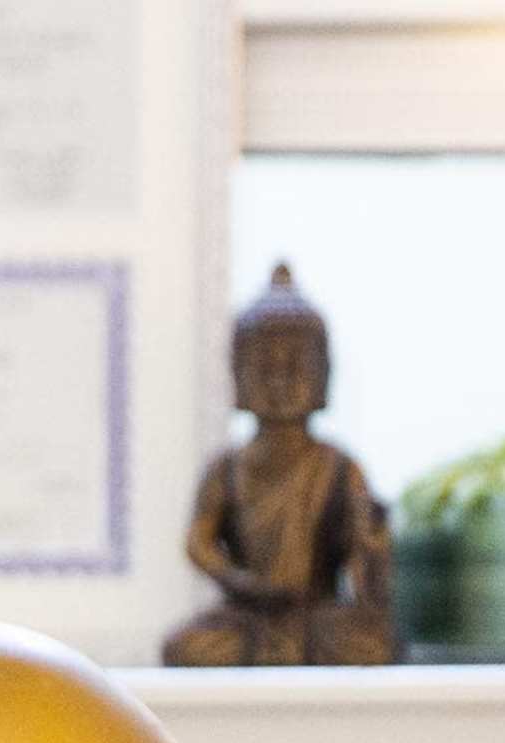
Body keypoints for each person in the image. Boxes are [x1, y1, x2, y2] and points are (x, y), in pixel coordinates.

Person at [164, 264, 398, 666]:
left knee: (373, 642)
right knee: (187, 646)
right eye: (265, 368)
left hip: (317, 611)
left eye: (296, 367)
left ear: (323, 377)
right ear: (238, 376)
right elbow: (199, 542)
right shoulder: (228, 467)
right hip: (248, 612)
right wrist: (240, 582)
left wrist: (370, 537)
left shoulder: (339, 467)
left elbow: (360, 552)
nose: (280, 381)